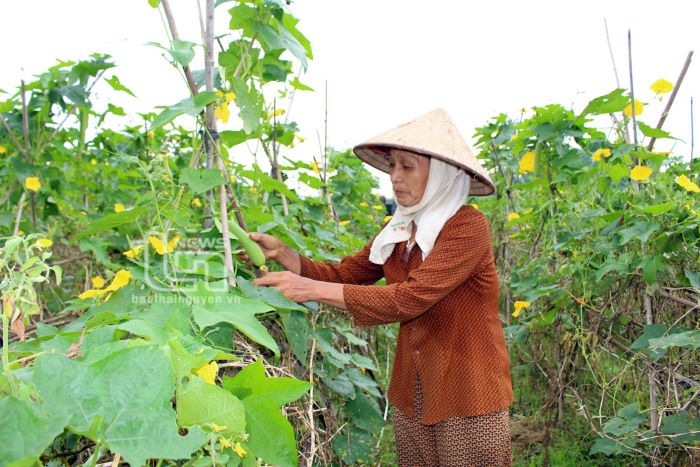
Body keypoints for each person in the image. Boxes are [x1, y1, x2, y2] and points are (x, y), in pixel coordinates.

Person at [251, 109, 514, 465]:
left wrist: (309, 289)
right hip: (413, 390)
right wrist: (284, 253)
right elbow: (346, 275)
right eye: (392, 166)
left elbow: (410, 298)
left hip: (467, 391)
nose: (395, 177)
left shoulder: (466, 227)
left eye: (407, 167)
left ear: (440, 174)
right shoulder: (399, 230)